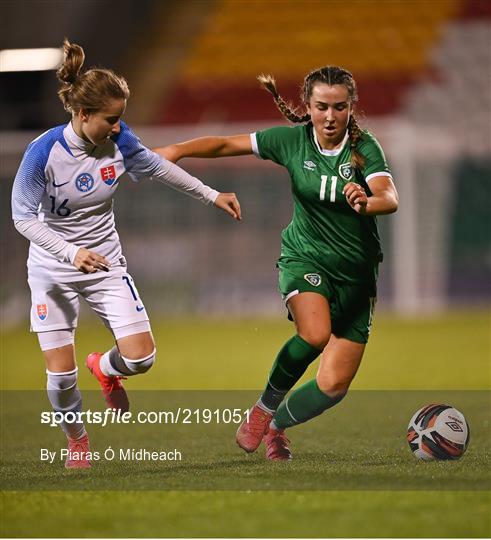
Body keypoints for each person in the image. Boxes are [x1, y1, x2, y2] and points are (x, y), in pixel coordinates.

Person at [11, 39, 241, 469]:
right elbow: (23, 218)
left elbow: (157, 167)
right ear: (82, 114)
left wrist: (212, 195)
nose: (119, 128)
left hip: (105, 263)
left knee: (142, 357)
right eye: (111, 119)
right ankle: (77, 441)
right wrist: (69, 251)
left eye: (122, 119)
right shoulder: (42, 153)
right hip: (52, 268)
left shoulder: (121, 141)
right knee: (60, 376)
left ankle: (106, 367)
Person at [154, 66, 398, 461]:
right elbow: (224, 145)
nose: (331, 117)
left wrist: (367, 201)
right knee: (315, 333)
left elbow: (389, 196)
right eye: (322, 107)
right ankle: (262, 411)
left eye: (340, 107)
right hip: (304, 256)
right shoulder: (290, 141)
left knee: (334, 385)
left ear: (352, 107)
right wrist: (177, 150)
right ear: (308, 105)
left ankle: (276, 427)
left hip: (357, 273)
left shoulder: (364, 148)